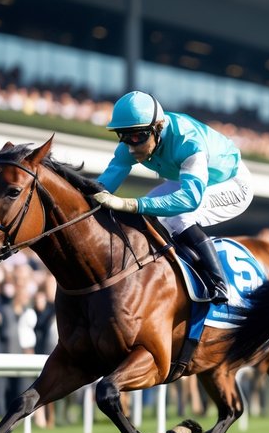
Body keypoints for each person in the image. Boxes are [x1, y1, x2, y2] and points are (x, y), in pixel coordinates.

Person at [93, 90, 252, 304]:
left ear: (158, 128)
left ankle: (219, 283)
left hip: (231, 184)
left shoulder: (188, 142)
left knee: (179, 217)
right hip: (191, 179)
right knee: (149, 217)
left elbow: (190, 199)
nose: (131, 146)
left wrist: (132, 204)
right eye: (123, 135)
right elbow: (105, 183)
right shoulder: (133, 142)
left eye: (138, 137)